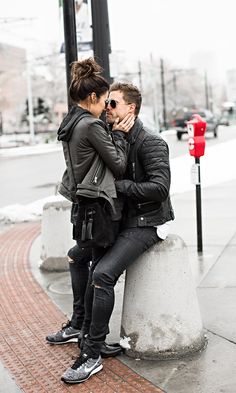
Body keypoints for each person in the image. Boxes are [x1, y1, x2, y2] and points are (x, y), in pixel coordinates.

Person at [61, 82, 175, 384]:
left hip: (147, 222)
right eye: (106, 103)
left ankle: (93, 353)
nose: (107, 109)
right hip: (117, 221)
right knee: (80, 257)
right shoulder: (114, 135)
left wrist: (119, 188)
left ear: (130, 109)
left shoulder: (151, 142)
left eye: (113, 104)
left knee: (103, 275)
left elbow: (160, 188)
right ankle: (83, 331)